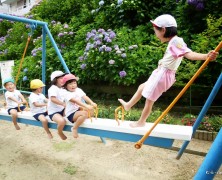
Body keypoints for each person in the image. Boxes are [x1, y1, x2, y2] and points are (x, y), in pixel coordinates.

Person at [118, 14, 219, 128]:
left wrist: (206, 56)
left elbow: (189, 54)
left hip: (163, 75)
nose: (155, 34)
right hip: (161, 72)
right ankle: (128, 105)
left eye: (155, 30)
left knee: (149, 100)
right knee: (142, 87)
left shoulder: (176, 42)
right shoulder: (174, 41)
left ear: (163, 30)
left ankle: (141, 122)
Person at [62, 74, 94, 138]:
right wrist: (86, 106)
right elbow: (76, 101)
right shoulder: (65, 93)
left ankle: (81, 118)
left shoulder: (78, 90)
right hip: (71, 113)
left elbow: (84, 97)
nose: (73, 85)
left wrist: (92, 102)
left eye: (74, 83)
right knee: (84, 114)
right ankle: (74, 128)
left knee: (91, 110)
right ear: (65, 86)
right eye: (70, 84)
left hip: (78, 109)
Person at [47, 70, 67, 140]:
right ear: (55, 80)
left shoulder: (63, 89)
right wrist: (63, 104)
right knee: (62, 121)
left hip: (62, 110)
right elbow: (53, 99)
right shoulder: (53, 88)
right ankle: (59, 132)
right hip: (54, 112)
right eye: (61, 78)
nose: (63, 80)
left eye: (64, 78)